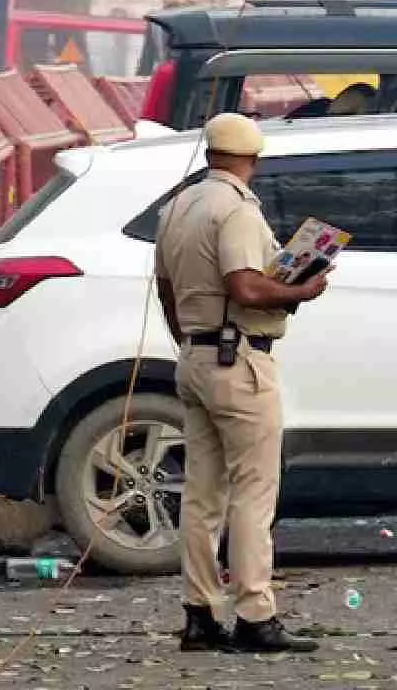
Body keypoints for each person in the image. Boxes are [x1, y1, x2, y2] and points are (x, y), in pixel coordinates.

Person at [155, 113, 331, 654]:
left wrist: (191, 338)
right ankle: (256, 614)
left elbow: (165, 289)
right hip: (240, 361)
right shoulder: (233, 209)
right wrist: (304, 290)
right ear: (252, 159)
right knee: (253, 494)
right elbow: (247, 288)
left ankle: (201, 613)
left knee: (202, 496)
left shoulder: (177, 207)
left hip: (196, 358)